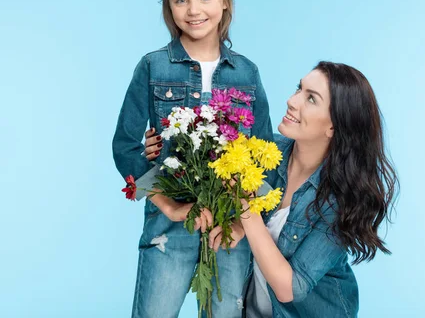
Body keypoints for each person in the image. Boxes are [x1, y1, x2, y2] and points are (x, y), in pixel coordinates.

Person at [145, 61, 399, 317]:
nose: (292, 101)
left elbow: (290, 288)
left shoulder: (340, 201)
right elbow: (165, 174)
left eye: (311, 99)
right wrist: (160, 151)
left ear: (333, 126)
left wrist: (245, 207)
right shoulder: (266, 150)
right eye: (299, 89)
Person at [112, 0, 273, 318]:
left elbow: (265, 154)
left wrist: (241, 225)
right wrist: (168, 204)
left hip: (228, 230)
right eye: (180, 0)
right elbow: (125, 144)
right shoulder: (153, 66)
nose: (193, 10)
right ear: (168, 7)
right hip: (169, 228)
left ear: (226, 2)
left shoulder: (246, 74)